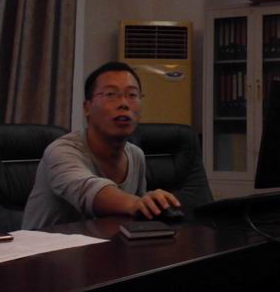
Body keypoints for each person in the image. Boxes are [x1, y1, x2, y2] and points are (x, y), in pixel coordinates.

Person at [22, 61, 181, 230]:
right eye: (111, 94)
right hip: (47, 246)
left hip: (102, 244)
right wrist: (136, 203)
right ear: (87, 108)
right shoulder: (61, 151)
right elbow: (88, 191)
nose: (124, 103)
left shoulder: (136, 155)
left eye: (132, 95)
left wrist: (152, 203)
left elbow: (136, 215)